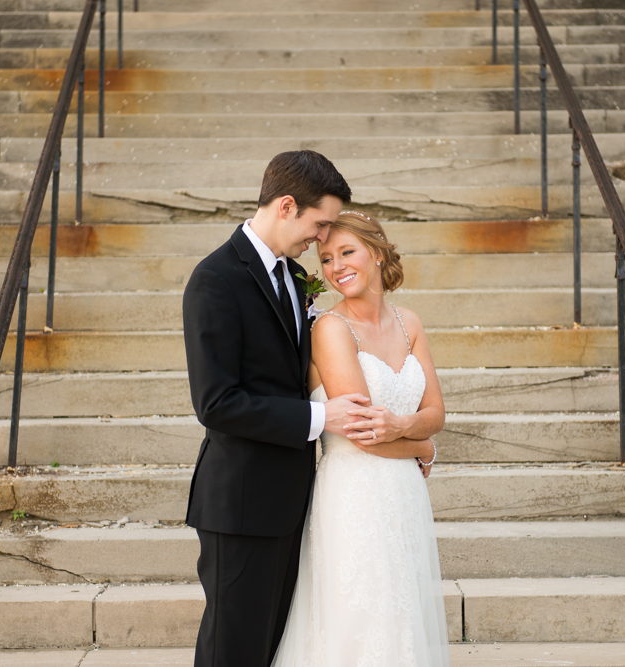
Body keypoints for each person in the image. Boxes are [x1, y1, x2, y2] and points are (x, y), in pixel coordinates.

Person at [182, 151, 371, 667]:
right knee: (232, 651)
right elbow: (217, 403)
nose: (323, 238)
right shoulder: (215, 279)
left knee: (268, 651)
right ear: (287, 205)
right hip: (241, 503)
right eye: (320, 223)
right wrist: (321, 419)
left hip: (292, 499)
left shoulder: (293, 275)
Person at [271, 211, 451, 666]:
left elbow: (436, 413)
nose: (336, 267)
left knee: (402, 617)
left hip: (404, 494)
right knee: (362, 619)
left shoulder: (409, 322)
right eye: (326, 258)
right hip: (354, 495)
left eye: (347, 252)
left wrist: (410, 430)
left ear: (375, 252)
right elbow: (364, 432)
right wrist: (422, 447)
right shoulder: (331, 329)